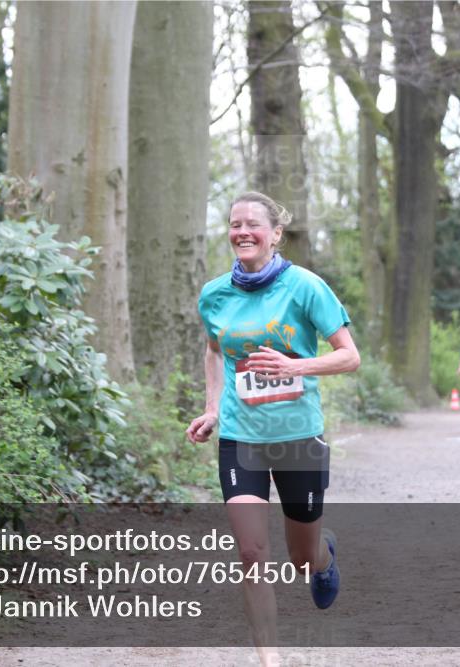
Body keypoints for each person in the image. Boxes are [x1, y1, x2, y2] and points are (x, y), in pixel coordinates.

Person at [186, 191, 360, 666]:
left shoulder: (305, 287)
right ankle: (270, 660)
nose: (242, 231)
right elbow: (215, 351)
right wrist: (213, 409)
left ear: (276, 234)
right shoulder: (214, 294)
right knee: (251, 552)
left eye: (252, 224)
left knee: (300, 558)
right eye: (234, 223)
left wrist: (296, 367)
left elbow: (349, 355)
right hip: (242, 439)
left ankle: (322, 556)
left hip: (298, 437)